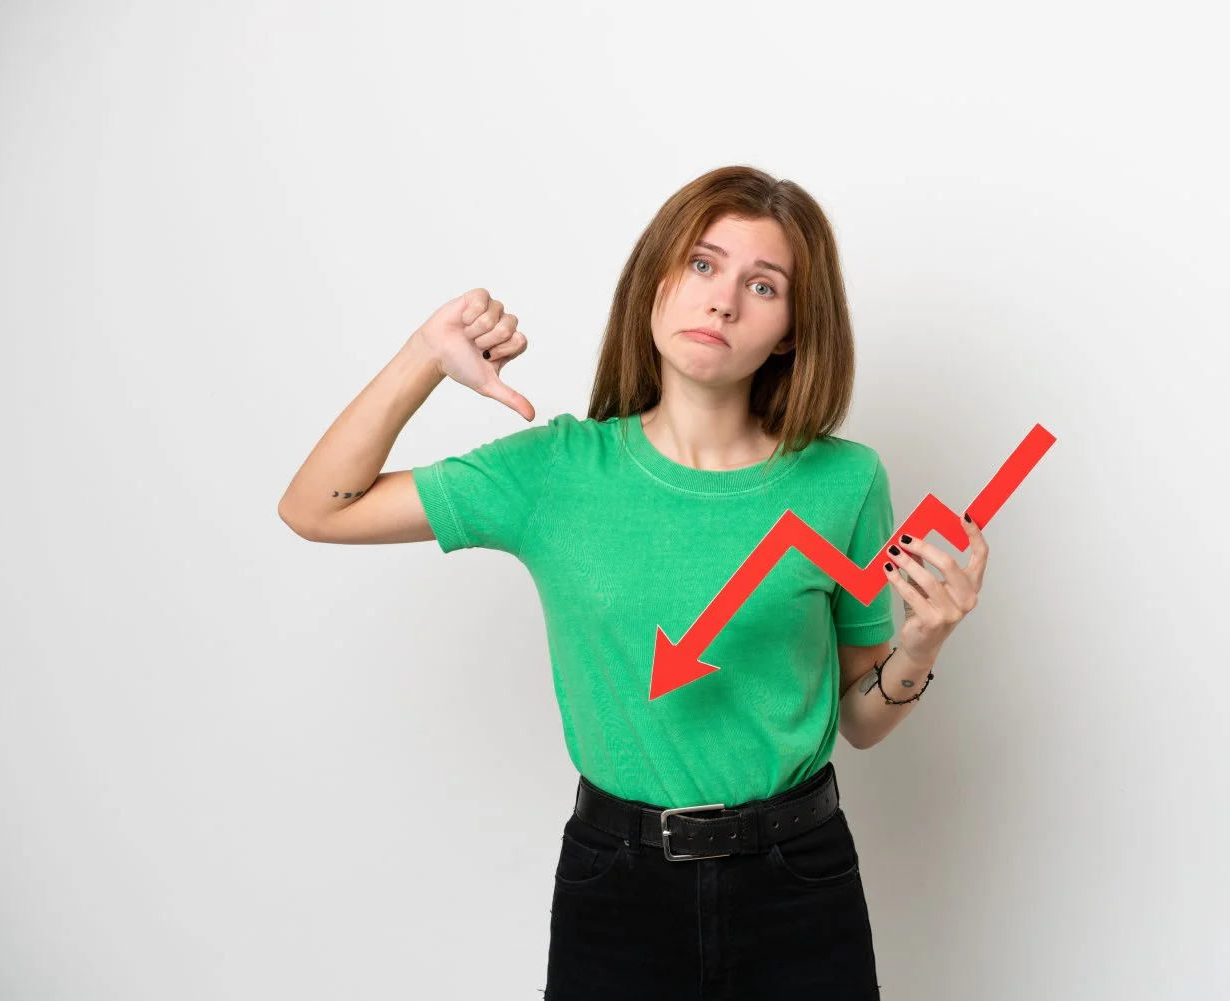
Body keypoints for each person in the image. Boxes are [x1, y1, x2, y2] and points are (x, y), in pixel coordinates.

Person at [278, 165, 985, 1000]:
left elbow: (860, 722)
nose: (723, 302)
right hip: (617, 888)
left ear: (792, 332)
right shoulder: (555, 471)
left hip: (801, 880)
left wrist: (921, 644)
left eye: (763, 285)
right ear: (654, 281)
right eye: (702, 264)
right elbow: (317, 508)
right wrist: (426, 356)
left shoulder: (845, 482)